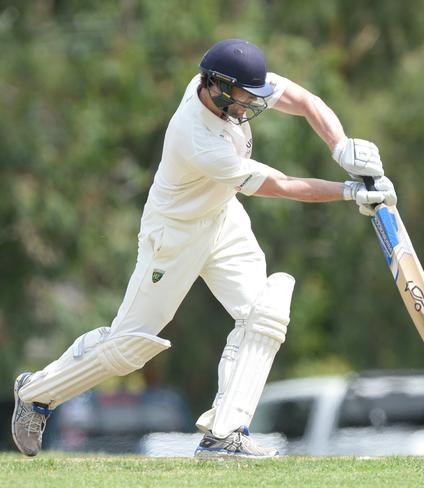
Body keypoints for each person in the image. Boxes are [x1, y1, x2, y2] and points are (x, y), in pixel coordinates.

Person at [11, 38, 396, 459]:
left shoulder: (227, 82)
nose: (250, 104)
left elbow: (303, 99)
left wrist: (341, 146)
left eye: (255, 95)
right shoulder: (197, 137)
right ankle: (36, 393)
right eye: (243, 96)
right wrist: (349, 191)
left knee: (263, 315)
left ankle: (225, 435)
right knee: (130, 345)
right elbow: (281, 186)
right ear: (215, 87)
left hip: (222, 218)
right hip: (174, 236)